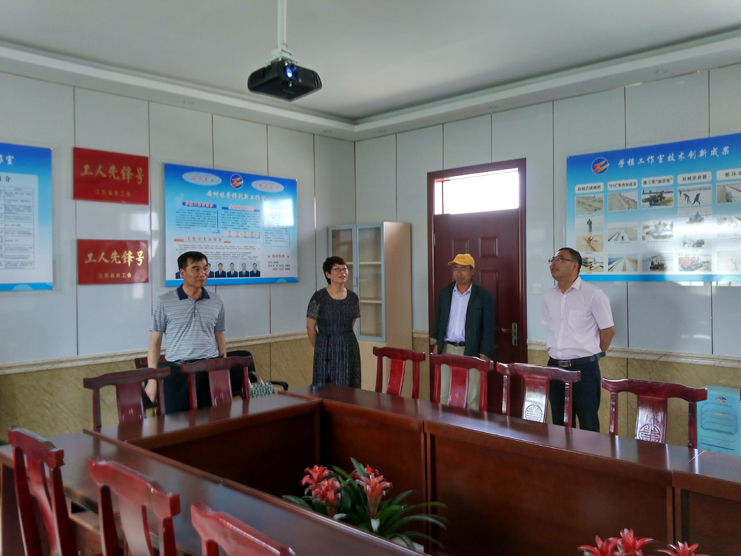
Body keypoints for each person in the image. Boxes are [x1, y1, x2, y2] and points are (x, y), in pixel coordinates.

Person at [542, 247, 615, 432]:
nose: (553, 264)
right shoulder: (549, 295)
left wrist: (591, 354)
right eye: (552, 259)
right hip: (555, 368)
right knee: (560, 424)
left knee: (588, 425)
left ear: (575, 265)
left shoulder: (593, 294)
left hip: (584, 369)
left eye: (560, 259)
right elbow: (552, 327)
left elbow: (608, 331)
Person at [145, 251, 226, 413]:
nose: (202, 273)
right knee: (177, 423)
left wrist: (223, 369)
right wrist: (152, 379)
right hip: (177, 373)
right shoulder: (164, 302)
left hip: (209, 371)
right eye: (196, 269)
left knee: (213, 420)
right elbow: (155, 342)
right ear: (182, 273)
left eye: (205, 268)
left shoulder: (216, 301)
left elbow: (219, 337)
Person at [430, 254, 495, 408]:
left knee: (471, 397)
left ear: (472, 271)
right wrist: (436, 345)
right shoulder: (444, 293)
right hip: (447, 349)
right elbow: (438, 320)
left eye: (463, 269)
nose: (459, 273)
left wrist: (485, 354)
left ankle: (471, 424)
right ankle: (443, 422)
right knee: (444, 394)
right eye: (455, 269)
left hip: (472, 350)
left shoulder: (483, 296)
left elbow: (488, 328)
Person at [306, 256, 361, 387]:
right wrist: (319, 346)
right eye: (337, 269)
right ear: (328, 274)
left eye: (344, 269)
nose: (342, 272)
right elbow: (310, 327)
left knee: (349, 386)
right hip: (325, 347)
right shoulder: (319, 297)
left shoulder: (353, 298)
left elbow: (351, 323)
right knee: (326, 388)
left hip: (349, 347)